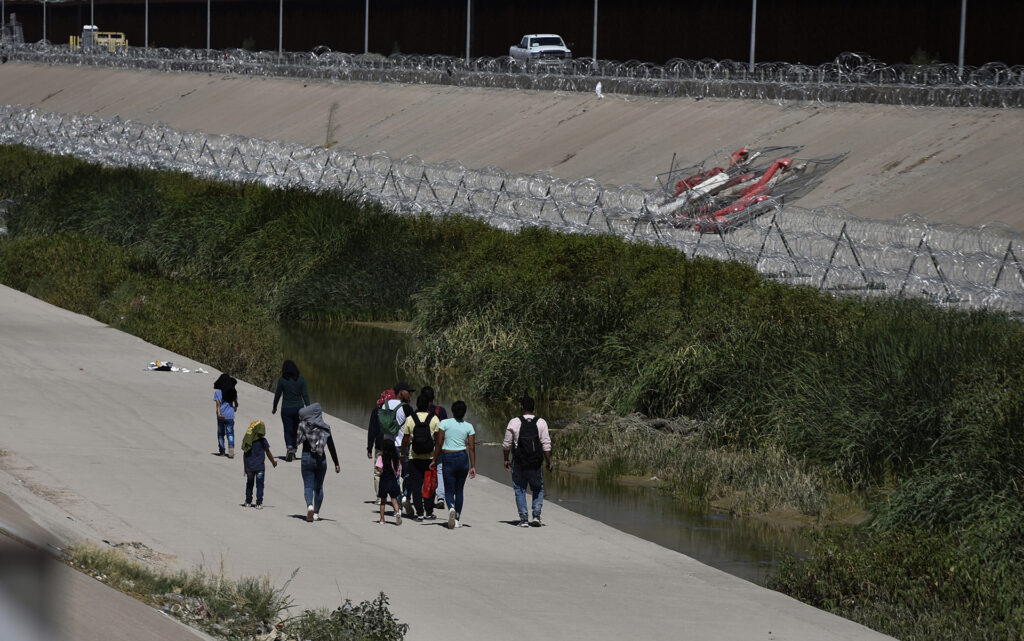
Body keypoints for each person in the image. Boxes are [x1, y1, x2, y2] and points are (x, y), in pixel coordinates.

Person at [502, 396, 552, 527]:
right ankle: (536, 516)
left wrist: (506, 459)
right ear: (534, 408)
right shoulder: (541, 422)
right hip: (536, 462)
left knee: (520, 489)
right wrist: (549, 462)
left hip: (519, 461)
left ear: (522, 407)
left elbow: (506, 444)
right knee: (538, 488)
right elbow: (546, 445)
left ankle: (524, 519)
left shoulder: (514, 422)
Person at [431, 400, 476, 530]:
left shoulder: (444, 423)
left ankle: (450, 506)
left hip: (448, 457)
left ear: (452, 411)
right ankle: (456, 518)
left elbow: (439, 443)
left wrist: (434, 459)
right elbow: (472, 448)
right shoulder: (469, 426)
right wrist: (473, 465)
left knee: (449, 489)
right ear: (464, 412)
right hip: (462, 458)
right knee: (459, 490)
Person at [296, 402, 340, 522]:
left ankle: (309, 506)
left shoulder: (303, 425)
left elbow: (298, 440)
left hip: (307, 457)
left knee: (308, 486)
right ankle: (316, 513)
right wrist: (336, 463)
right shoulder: (325, 428)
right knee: (319, 487)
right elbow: (331, 446)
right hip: (321, 459)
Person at [400, 394, 441, 521]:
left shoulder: (410, 419)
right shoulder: (434, 419)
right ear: (429, 404)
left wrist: (402, 454)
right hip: (429, 458)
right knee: (429, 485)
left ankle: (419, 513)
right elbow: (438, 440)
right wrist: (435, 457)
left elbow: (405, 439)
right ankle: (429, 512)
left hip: (414, 457)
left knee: (416, 486)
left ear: (417, 405)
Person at [271, 360, 310, 462]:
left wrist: (274, 407)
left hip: (286, 409)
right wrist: (309, 408)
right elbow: (305, 395)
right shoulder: (301, 380)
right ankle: (294, 450)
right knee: (297, 430)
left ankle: (289, 448)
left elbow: (278, 395)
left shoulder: (282, 381)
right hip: (299, 409)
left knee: (287, 430)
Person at [421, 386, 449, 509]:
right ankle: (441, 497)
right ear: (434, 397)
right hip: (439, 445)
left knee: (424, 470)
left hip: (423, 446)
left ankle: (425, 494)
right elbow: (446, 428)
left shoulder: (419, 410)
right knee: (440, 470)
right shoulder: (441, 410)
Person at [366, 388, 396, 501]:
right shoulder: (396, 411)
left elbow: (372, 430)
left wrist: (369, 447)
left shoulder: (376, 411)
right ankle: (396, 496)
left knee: (378, 471)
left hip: (379, 445)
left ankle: (379, 497)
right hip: (393, 445)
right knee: (394, 470)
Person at [241, 420, 278, 508]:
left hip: (249, 467)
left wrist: (245, 468)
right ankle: (259, 503)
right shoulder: (263, 441)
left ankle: (248, 501)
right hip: (260, 467)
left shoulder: (248, 441)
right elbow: (268, 452)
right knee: (260, 485)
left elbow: (244, 454)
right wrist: (273, 462)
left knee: (250, 483)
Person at [377, 441, 403, 525]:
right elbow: (398, 470)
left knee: (383, 501)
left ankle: (382, 519)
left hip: (384, 480)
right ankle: (398, 513)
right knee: (394, 499)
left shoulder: (381, 457)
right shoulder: (396, 459)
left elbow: (379, 468)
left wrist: (380, 472)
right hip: (392, 480)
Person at [213, 373, 238, 458]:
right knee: (230, 433)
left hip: (221, 416)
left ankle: (222, 451)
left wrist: (219, 413)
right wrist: (235, 407)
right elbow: (236, 402)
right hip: (230, 416)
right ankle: (231, 450)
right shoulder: (232, 391)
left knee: (220, 434)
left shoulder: (218, 393)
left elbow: (218, 405)